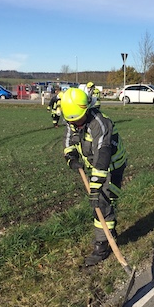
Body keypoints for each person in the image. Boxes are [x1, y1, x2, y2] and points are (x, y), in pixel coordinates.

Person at [61, 87, 127, 266]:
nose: (77, 123)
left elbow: (102, 155)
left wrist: (95, 186)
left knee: (102, 202)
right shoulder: (72, 121)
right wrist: (70, 157)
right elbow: (68, 141)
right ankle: (109, 234)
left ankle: (102, 246)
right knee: (103, 201)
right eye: (73, 121)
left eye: (80, 118)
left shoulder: (100, 123)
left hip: (112, 166)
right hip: (95, 166)